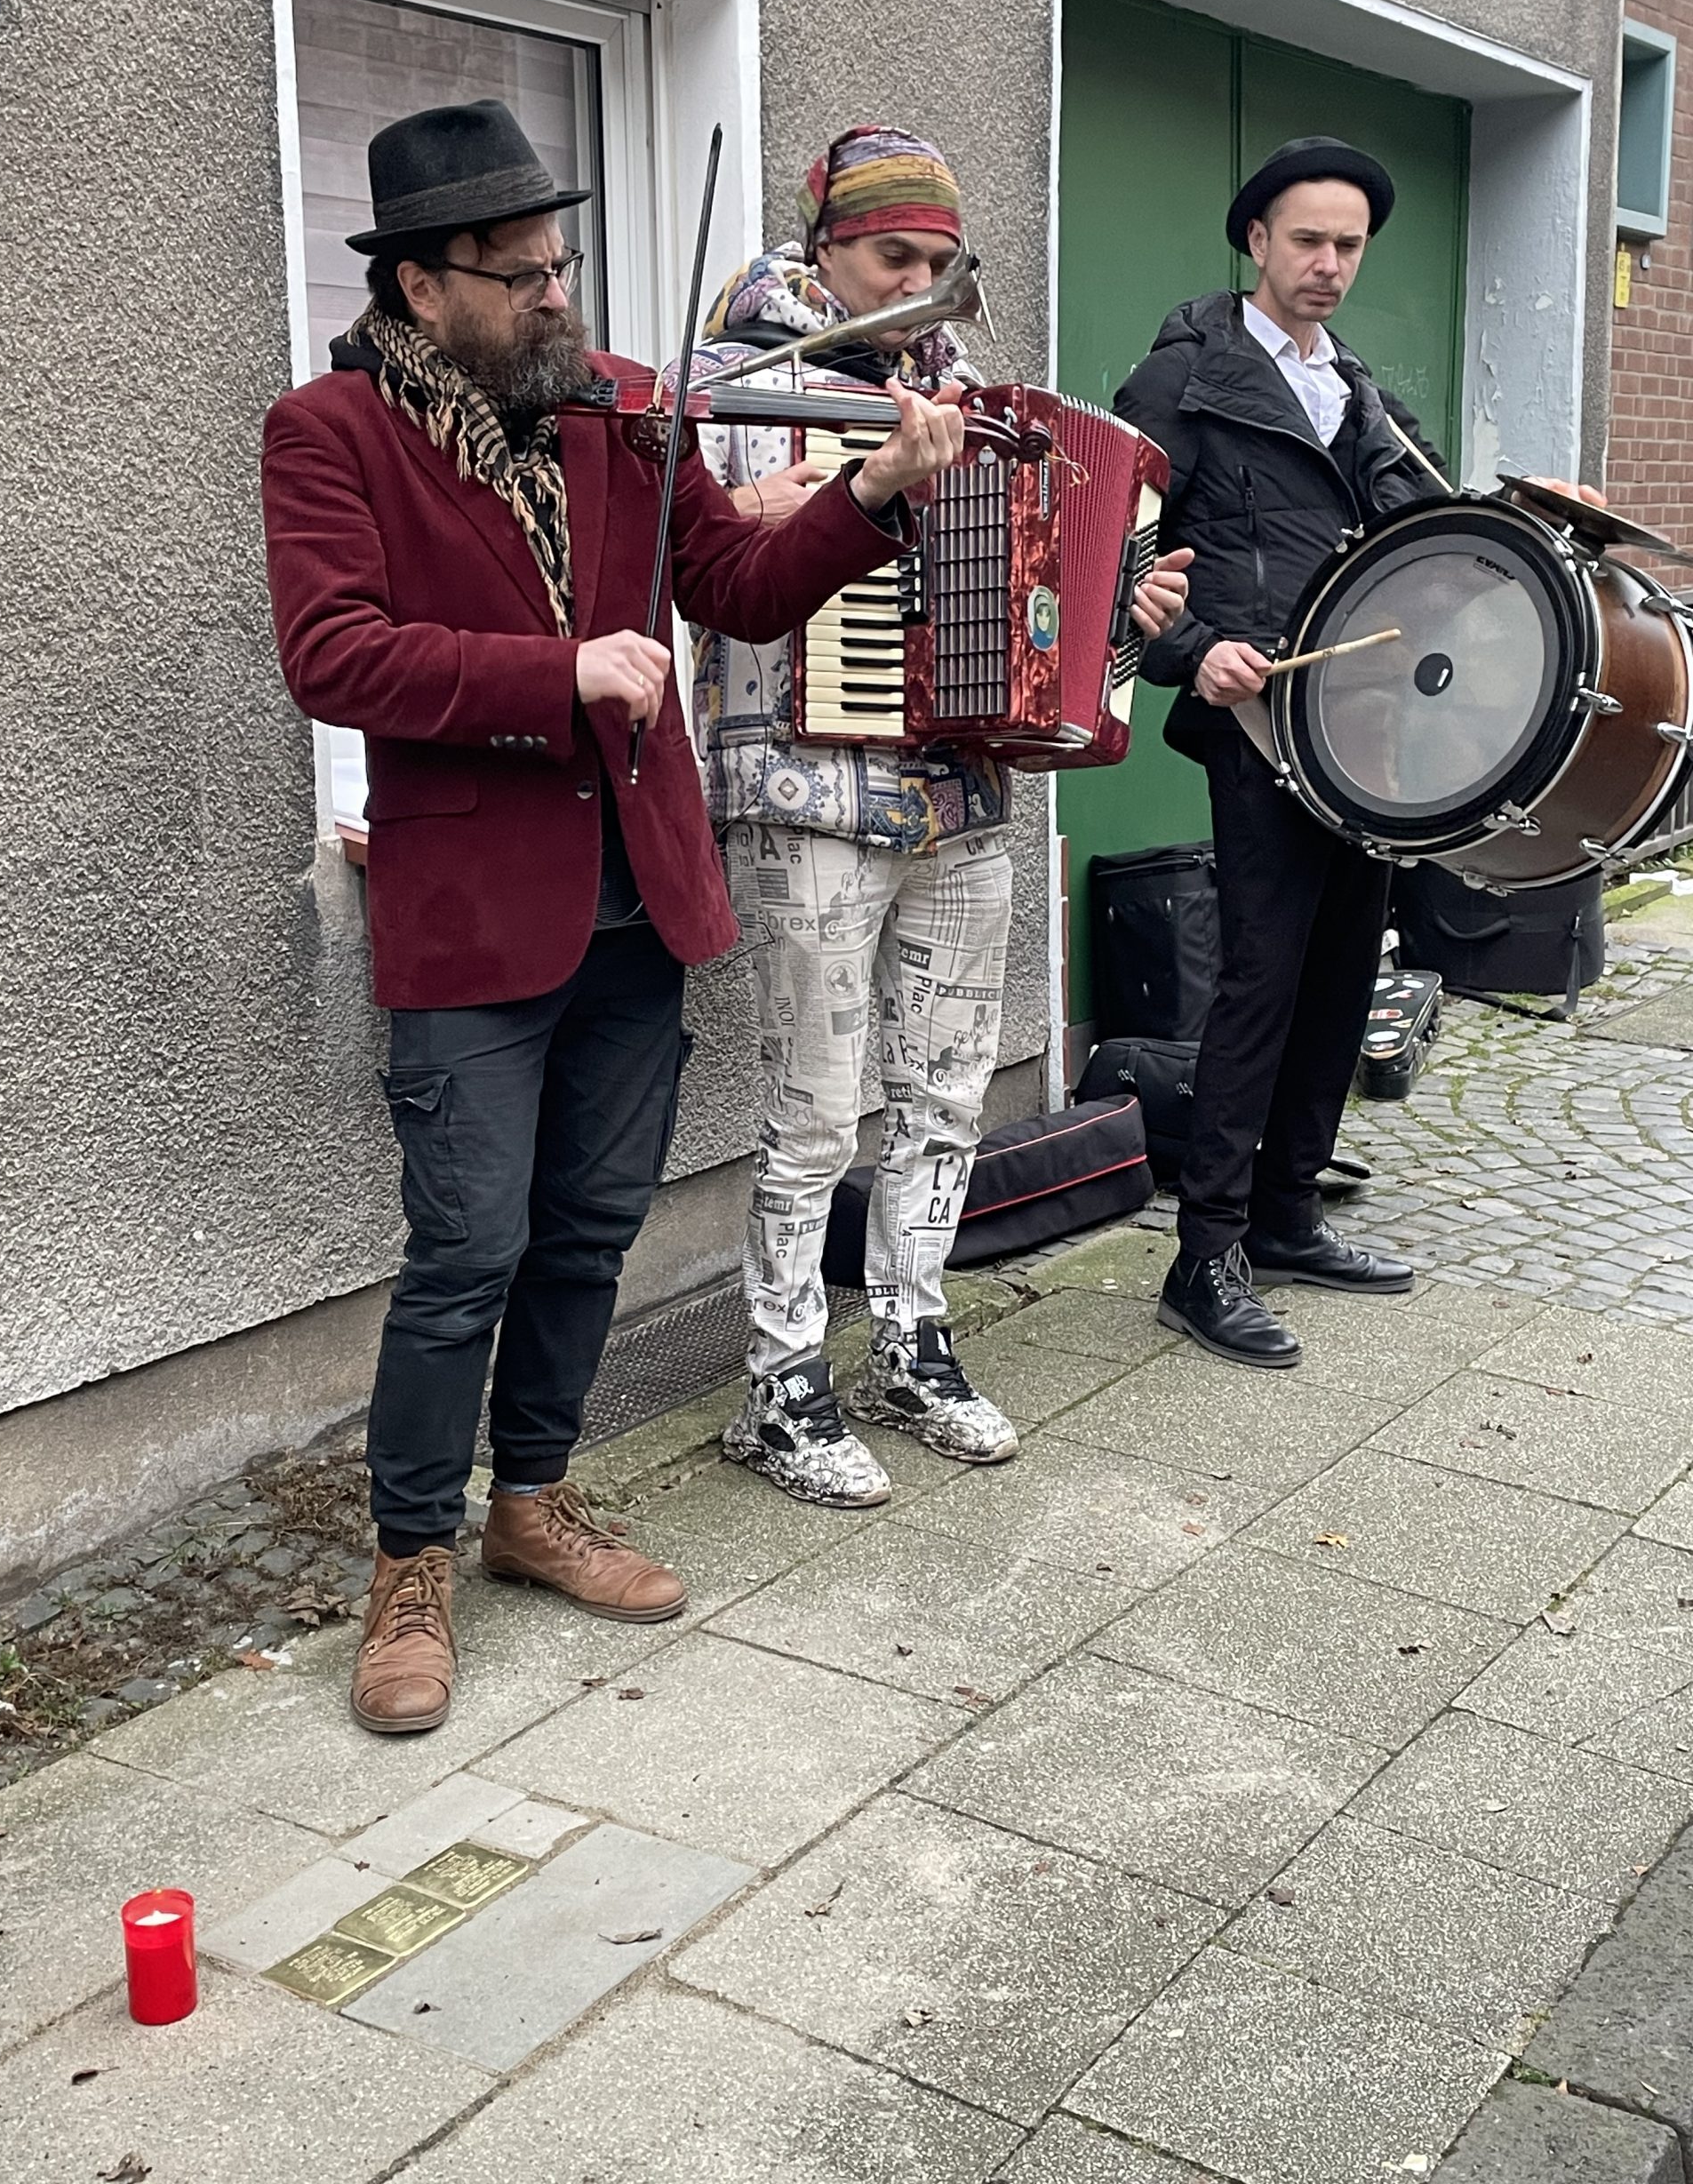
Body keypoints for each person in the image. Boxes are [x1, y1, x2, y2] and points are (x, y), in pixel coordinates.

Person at [261, 100, 965, 1732]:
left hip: (642, 900)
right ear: (423, 286)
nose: (558, 297)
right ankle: (410, 1565)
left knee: (588, 1231)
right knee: (465, 1256)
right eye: (520, 276)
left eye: (564, 263)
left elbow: (736, 587)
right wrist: (555, 674)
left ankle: (533, 1505)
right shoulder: (330, 432)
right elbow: (335, 657)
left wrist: (873, 495)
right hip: (473, 912)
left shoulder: (616, 409)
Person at [682, 125, 1191, 1500]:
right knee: (810, 1110)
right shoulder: (736, 381)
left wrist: (1117, 622)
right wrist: (835, 492)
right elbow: (715, 575)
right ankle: (783, 1384)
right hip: (807, 786)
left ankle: (912, 1336)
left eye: (935, 261)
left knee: (949, 1090)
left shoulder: (969, 396)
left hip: (961, 793)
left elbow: (1038, 598)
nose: (916, 281)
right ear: (824, 242)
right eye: (891, 256)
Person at [1115, 137, 1594, 1369]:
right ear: (1256, 242)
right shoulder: (1184, 379)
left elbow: (1420, 546)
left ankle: (1283, 1218)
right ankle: (1203, 1255)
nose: (1328, 264)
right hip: (1266, 722)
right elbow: (1119, 558)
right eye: (1307, 240)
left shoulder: (1359, 391)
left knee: (1343, 975)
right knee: (1260, 984)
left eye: (1348, 245)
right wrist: (1195, 654)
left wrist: (1520, 521)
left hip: (1369, 731)